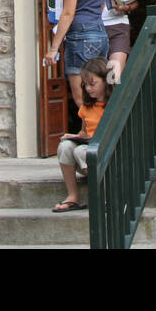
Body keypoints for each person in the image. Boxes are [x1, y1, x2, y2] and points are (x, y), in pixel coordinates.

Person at [44, 0, 109, 109]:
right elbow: (101, 9)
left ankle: (90, 132)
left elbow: (67, 13)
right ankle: (92, 130)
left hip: (81, 36)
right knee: (97, 91)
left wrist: (53, 48)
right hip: (100, 34)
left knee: (81, 97)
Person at [51, 56, 112, 212]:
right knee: (65, 146)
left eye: (93, 84)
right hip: (88, 151)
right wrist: (74, 137)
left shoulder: (113, 105)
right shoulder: (86, 107)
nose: (88, 89)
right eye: (85, 85)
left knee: (81, 151)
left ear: (106, 81)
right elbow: (85, 132)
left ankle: (104, 196)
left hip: (106, 153)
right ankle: (73, 196)